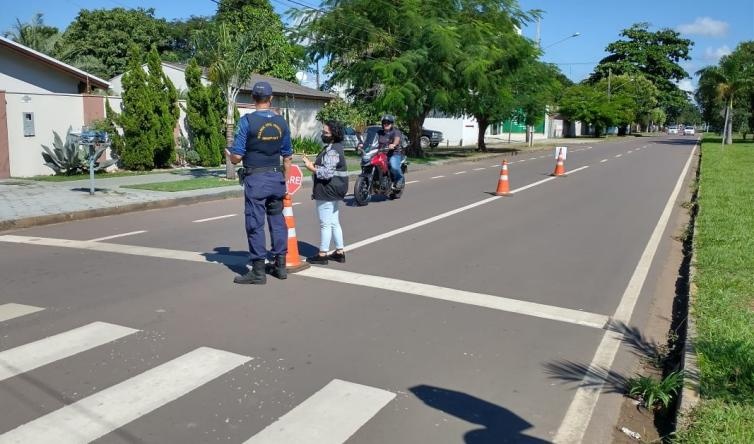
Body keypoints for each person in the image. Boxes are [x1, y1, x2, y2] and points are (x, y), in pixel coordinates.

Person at [225, 81, 292, 285]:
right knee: (278, 222)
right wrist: (285, 182)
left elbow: (237, 156)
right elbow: (287, 157)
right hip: (276, 178)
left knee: (255, 224)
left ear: (253, 99)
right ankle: (280, 266)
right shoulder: (281, 123)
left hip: (256, 179)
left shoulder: (247, 121)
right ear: (270, 99)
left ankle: (258, 271)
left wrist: (229, 155)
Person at [301, 121, 349, 264]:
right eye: (323, 132)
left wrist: (311, 167)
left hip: (327, 190)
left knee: (325, 224)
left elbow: (326, 173)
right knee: (334, 222)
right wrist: (314, 164)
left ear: (334, 134)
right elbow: (328, 166)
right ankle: (339, 252)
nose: (323, 134)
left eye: (326, 133)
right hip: (334, 190)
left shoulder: (333, 150)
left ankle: (322, 255)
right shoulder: (334, 147)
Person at [377, 115, 404, 190]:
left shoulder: (396, 132)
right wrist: (362, 144)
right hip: (381, 153)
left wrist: (394, 144)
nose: (386, 124)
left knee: (394, 166)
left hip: (394, 153)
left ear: (391, 124)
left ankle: (399, 179)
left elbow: (397, 139)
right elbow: (372, 140)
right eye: (384, 122)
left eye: (388, 122)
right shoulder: (379, 132)